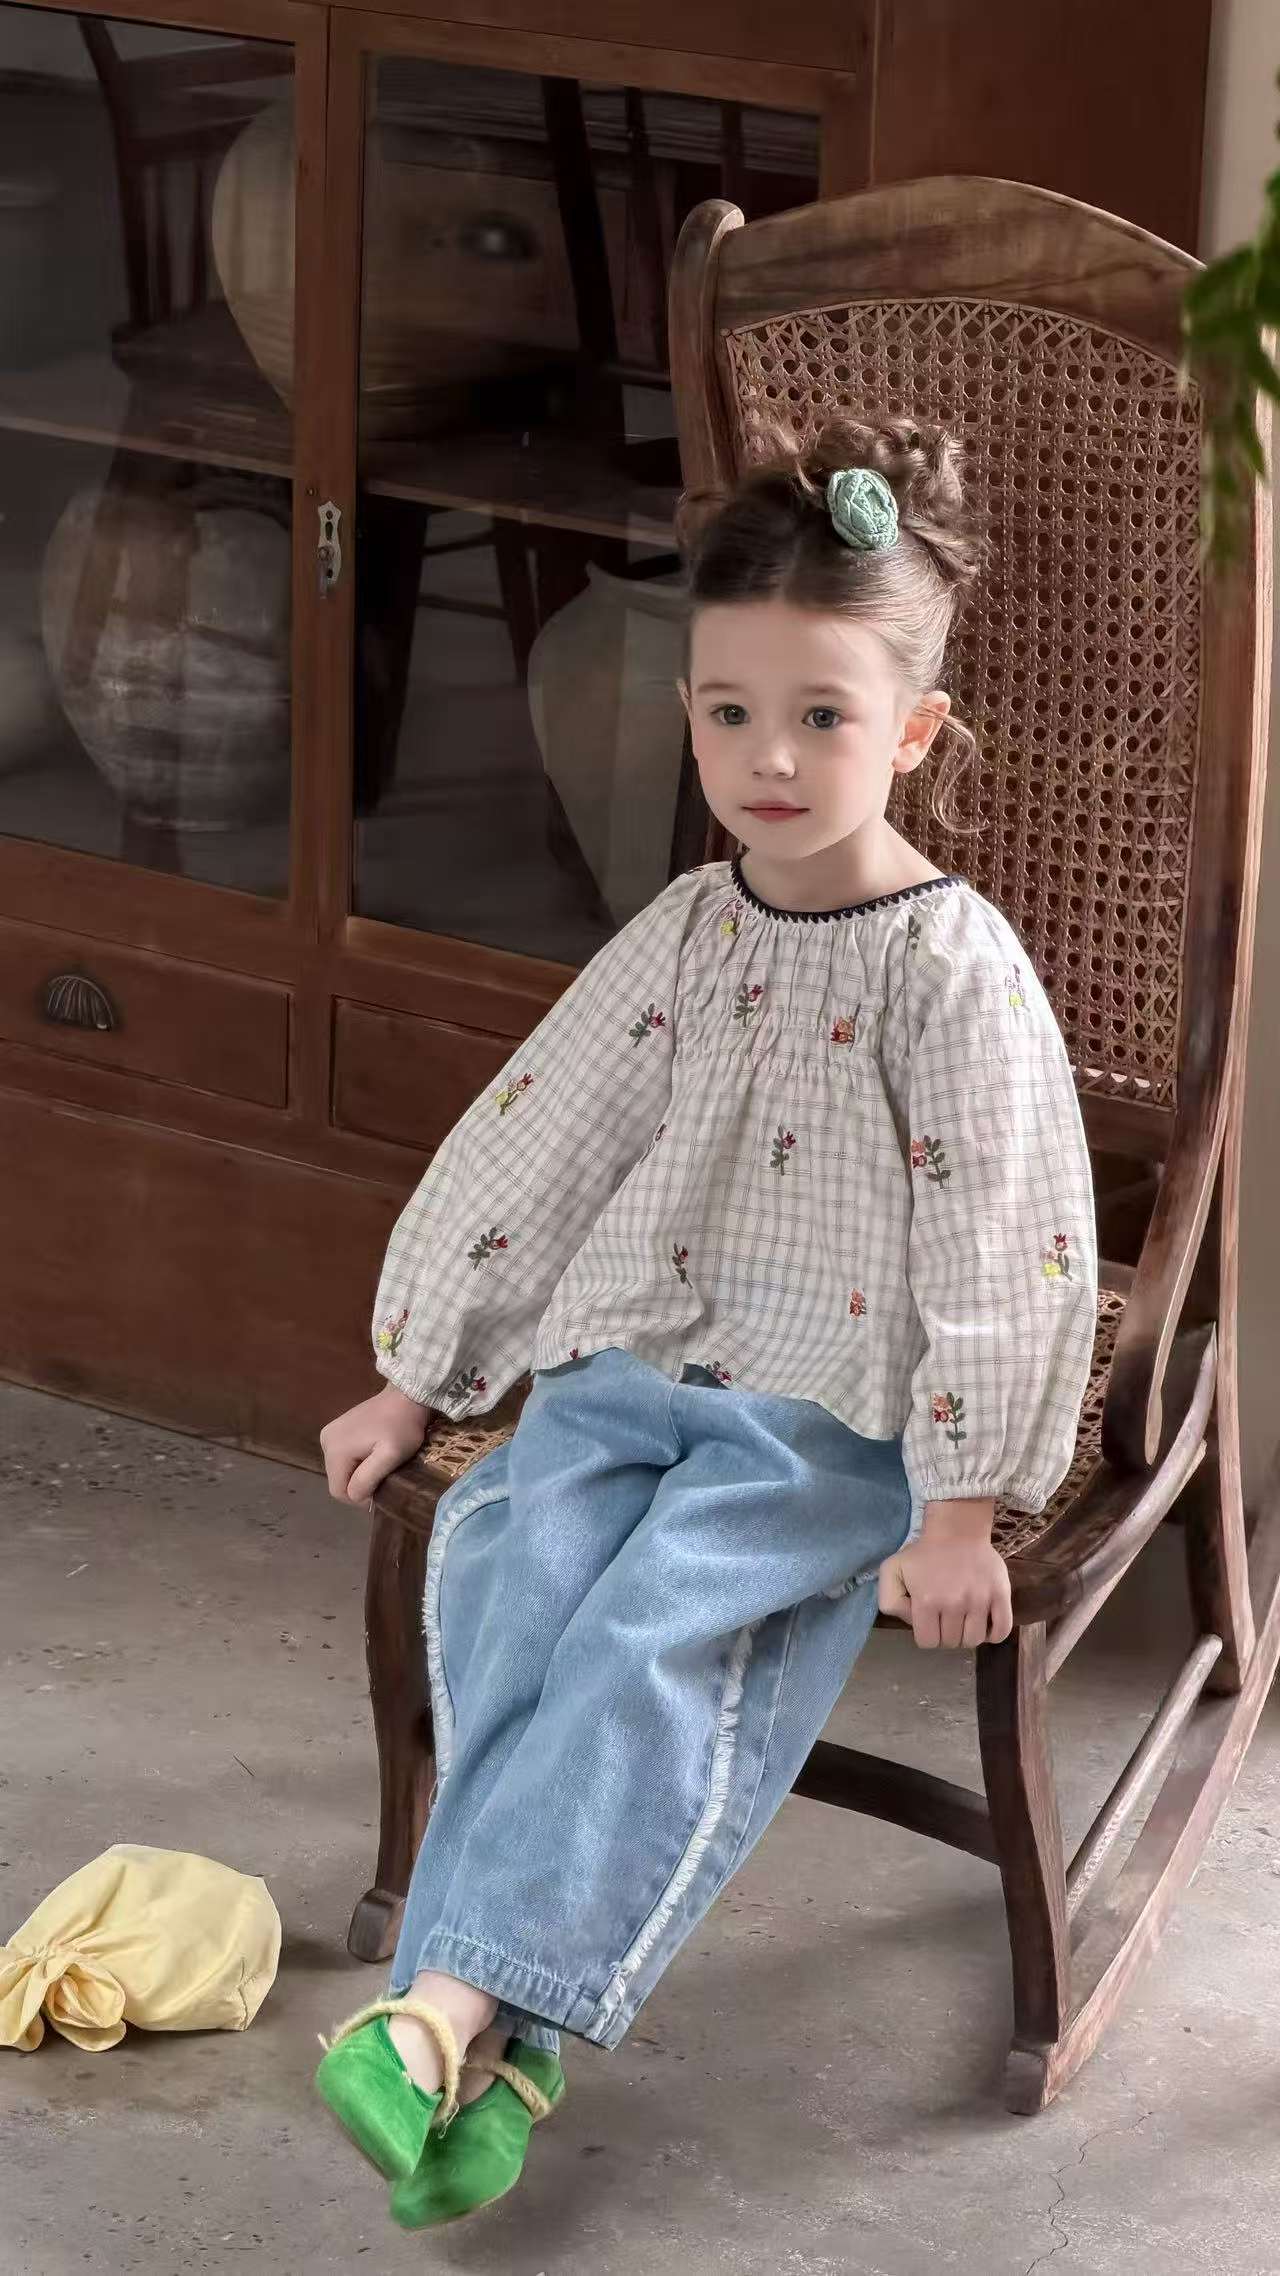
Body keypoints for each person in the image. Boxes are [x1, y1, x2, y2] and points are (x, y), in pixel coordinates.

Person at [315, 417, 1097, 2228]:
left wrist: (959, 1507)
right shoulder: (686, 930)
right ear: (688, 718)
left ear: (915, 731)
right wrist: (420, 1369)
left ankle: (436, 2018)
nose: (771, 757)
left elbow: (1007, 1246)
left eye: (822, 716)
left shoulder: (950, 970)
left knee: (647, 1638)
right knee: (514, 1581)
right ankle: (503, 2048)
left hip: (824, 1411)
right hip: (634, 1363)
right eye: (732, 713)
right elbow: (544, 1135)